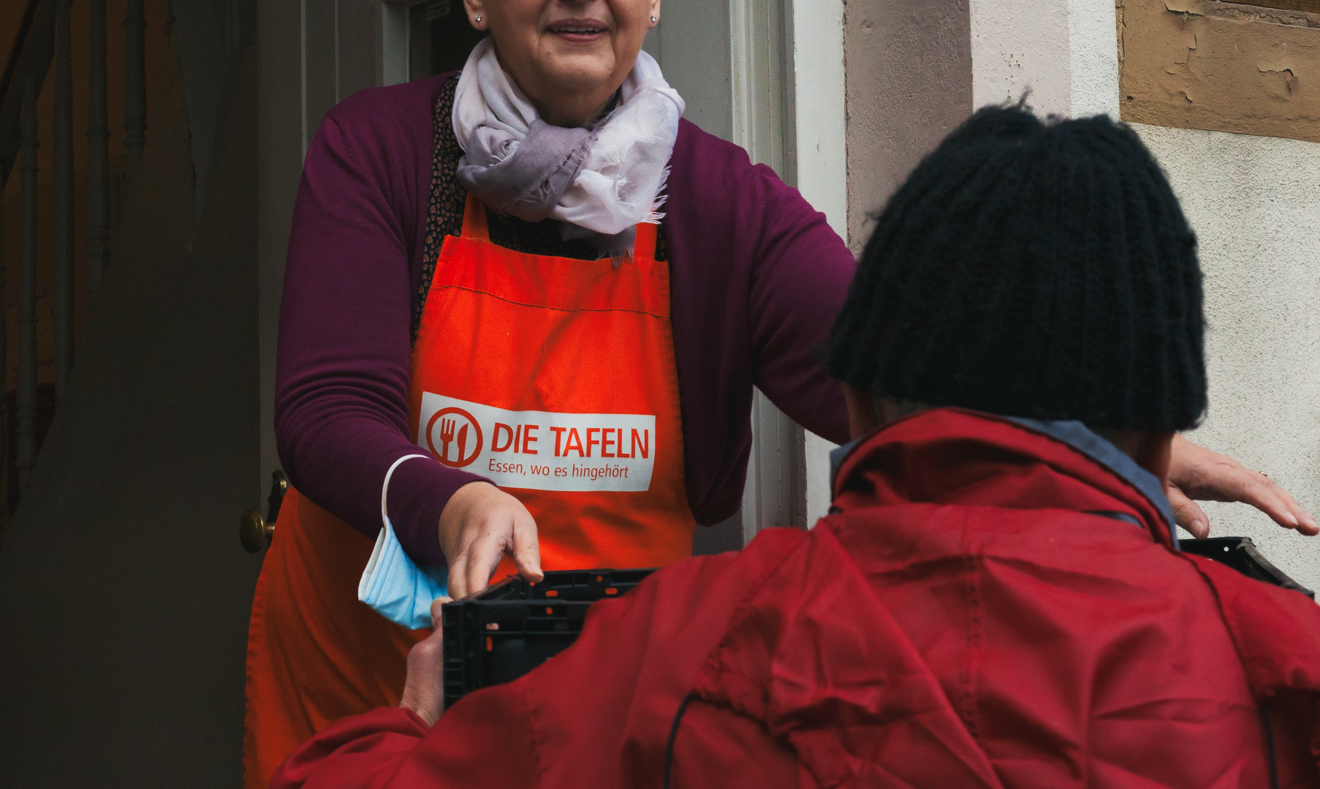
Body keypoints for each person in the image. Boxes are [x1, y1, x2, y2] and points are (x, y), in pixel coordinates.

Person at [244, 0, 1314, 787]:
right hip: (386, 684)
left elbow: (901, 367)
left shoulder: (719, 198)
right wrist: (452, 499)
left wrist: (1095, 439)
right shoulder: (380, 153)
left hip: (608, 683)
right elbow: (325, 409)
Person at [271, 108, 1320, 789]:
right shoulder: (1283, 671)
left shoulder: (682, 640)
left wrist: (411, 722)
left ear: (856, 399)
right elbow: (327, 405)